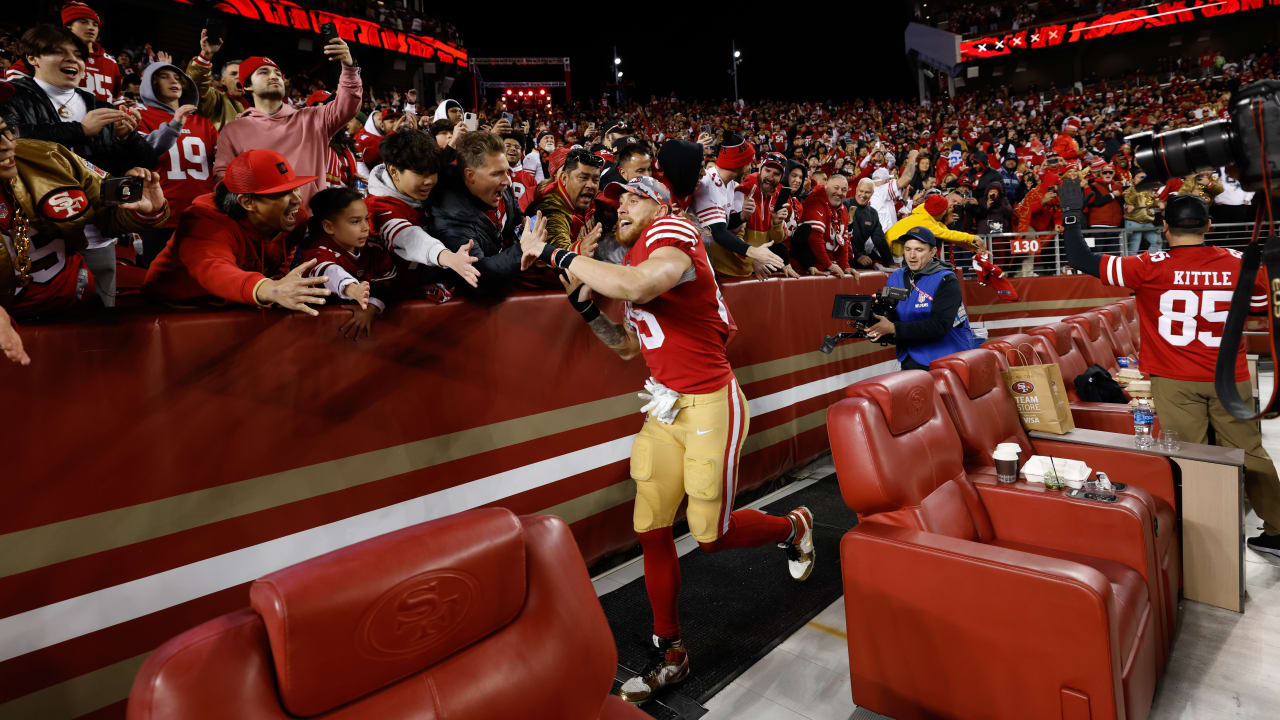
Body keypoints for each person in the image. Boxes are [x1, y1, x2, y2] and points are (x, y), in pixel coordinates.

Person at [517, 176, 815, 706]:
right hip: (665, 405)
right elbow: (631, 347)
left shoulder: (673, 230)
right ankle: (672, 652)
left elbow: (637, 286)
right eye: (616, 203)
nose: (620, 208)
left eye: (632, 197)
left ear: (659, 201)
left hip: (709, 404)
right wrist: (586, 309)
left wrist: (558, 255)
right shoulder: (637, 253)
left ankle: (793, 525)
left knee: (710, 534)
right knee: (651, 529)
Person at [1062, 181, 1280, 559]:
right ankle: (1278, 531)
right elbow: (1262, 305)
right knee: (1250, 452)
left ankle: (1202, 541)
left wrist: (1070, 216)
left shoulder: (1147, 266)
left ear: (1164, 227)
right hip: (1230, 378)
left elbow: (1081, 259)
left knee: (1188, 457)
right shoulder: (1239, 263)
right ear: (1208, 225)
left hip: (1174, 378)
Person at [0, 98, 168, 320]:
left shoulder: (49, 156)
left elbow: (107, 213)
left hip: (75, 304)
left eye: (7, 131)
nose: (7, 144)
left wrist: (143, 211)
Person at [144, 149, 329, 313]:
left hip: (239, 309)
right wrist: (271, 289)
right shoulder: (205, 220)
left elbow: (280, 263)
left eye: (296, 188)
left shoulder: (294, 218)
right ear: (247, 202)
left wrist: (280, 285)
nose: (296, 200)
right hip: (174, 314)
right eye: (282, 193)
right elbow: (216, 270)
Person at [212, 43, 361, 206]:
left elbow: (349, 104)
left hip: (309, 222)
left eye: (277, 73)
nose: (274, 76)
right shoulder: (233, 131)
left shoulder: (314, 119)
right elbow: (224, 177)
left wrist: (349, 66)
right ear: (247, 85)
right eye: (263, 72)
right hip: (260, 224)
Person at [363, 129, 479, 292]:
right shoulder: (378, 209)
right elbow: (410, 238)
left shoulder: (416, 190)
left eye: (433, 173)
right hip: (393, 300)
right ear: (394, 171)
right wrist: (450, 258)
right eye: (420, 174)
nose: (429, 181)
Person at [862, 226, 978, 371]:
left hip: (948, 359)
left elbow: (939, 326)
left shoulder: (947, 280)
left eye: (919, 250)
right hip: (911, 357)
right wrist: (876, 318)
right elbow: (891, 315)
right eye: (908, 249)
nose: (912, 256)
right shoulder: (896, 277)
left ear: (932, 252)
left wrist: (893, 328)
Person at [135, 60, 215, 266]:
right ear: (151, 83)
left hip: (201, 215)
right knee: (158, 283)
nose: (174, 81)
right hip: (161, 216)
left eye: (178, 77)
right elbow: (142, 153)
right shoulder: (139, 116)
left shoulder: (203, 123)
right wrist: (174, 124)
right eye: (165, 76)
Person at [428, 130, 523, 294]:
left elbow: (517, 220)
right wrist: (525, 249)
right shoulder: (450, 214)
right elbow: (479, 276)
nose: (507, 181)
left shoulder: (499, 188)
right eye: (497, 173)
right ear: (470, 175)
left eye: (506, 171)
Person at [299, 187, 395, 339]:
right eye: (355, 221)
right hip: (316, 336)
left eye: (366, 219)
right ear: (329, 226)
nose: (365, 228)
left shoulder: (373, 248)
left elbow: (388, 281)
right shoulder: (315, 252)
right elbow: (329, 272)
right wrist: (352, 289)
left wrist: (371, 307)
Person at [692, 134, 784, 275]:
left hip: (707, 260)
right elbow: (718, 232)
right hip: (696, 263)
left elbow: (725, 224)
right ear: (738, 163)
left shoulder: (728, 184)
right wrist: (753, 252)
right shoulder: (709, 182)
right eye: (749, 162)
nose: (751, 166)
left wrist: (741, 216)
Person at [886, 193, 984, 261]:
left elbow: (951, 237)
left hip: (895, 250)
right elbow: (946, 234)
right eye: (945, 209)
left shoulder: (926, 216)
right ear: (940, 212)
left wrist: (974, 248)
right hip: (891, 252)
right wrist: (973, 237)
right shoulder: (923, 221)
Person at [797, 172, 854, 276]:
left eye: (844, 190)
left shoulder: (843, 209)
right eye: (836, 188)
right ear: (826, 186)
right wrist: (829, 264)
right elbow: (814, 239)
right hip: (808, 267)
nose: (839, 192)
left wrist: (845, 266)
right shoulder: (815, 201)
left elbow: (844, 241)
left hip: (828, 266)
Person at [186, 30, 244, 131]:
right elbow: (196, 84)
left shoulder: (259, 104)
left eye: (243, 74)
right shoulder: (215, 100)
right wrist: (206, 55)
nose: (239, 77)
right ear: (222, 81)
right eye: (233, 74)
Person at [62, 2, 119, 102]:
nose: (91, 27)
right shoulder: (57, 56)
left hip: (103, 116)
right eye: (84, 22)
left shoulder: (111, 62)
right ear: (68, 27)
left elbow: (116, 98)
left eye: (95, 24)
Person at [849, 177, 894, 269]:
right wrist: (857, 256)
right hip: (843, 257)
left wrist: (891, 263)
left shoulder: (872, 213)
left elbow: (879, 240)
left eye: (867, 192)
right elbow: (841, 236)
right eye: (861, 191)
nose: (863, 195)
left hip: (860, 259)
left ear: (872, 194)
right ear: (856, 190)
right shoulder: (845, 205)